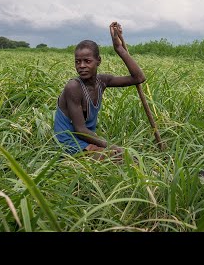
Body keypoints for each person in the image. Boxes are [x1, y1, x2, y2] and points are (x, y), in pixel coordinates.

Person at [53, 21, 146, 161]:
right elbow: (80, 130)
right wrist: (112, 146)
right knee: (122, 159)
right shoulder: (73, 87)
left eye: (87, 61)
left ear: (98, 61)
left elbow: (138, 77)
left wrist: (119, 49)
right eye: (77, 62)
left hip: (86, 141)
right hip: (69, 144)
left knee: (130, 158)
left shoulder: (102, 81)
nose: (81, 66)